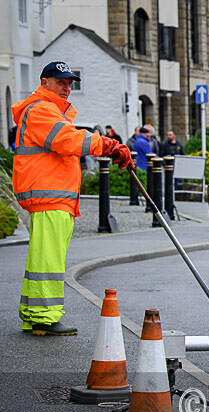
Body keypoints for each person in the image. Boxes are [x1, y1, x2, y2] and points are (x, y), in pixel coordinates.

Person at [12, 61, 133, 335]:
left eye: (69, 83)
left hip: (52, 195)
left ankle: (35, 314)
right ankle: (44, 316)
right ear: (44, 82)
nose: (67, 88)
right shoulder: (42, 109)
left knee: (42, 261)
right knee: (49, 262)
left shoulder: (48, 110)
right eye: (60, 82)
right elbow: (67, 140)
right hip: (49, 195)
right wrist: (108, 144)